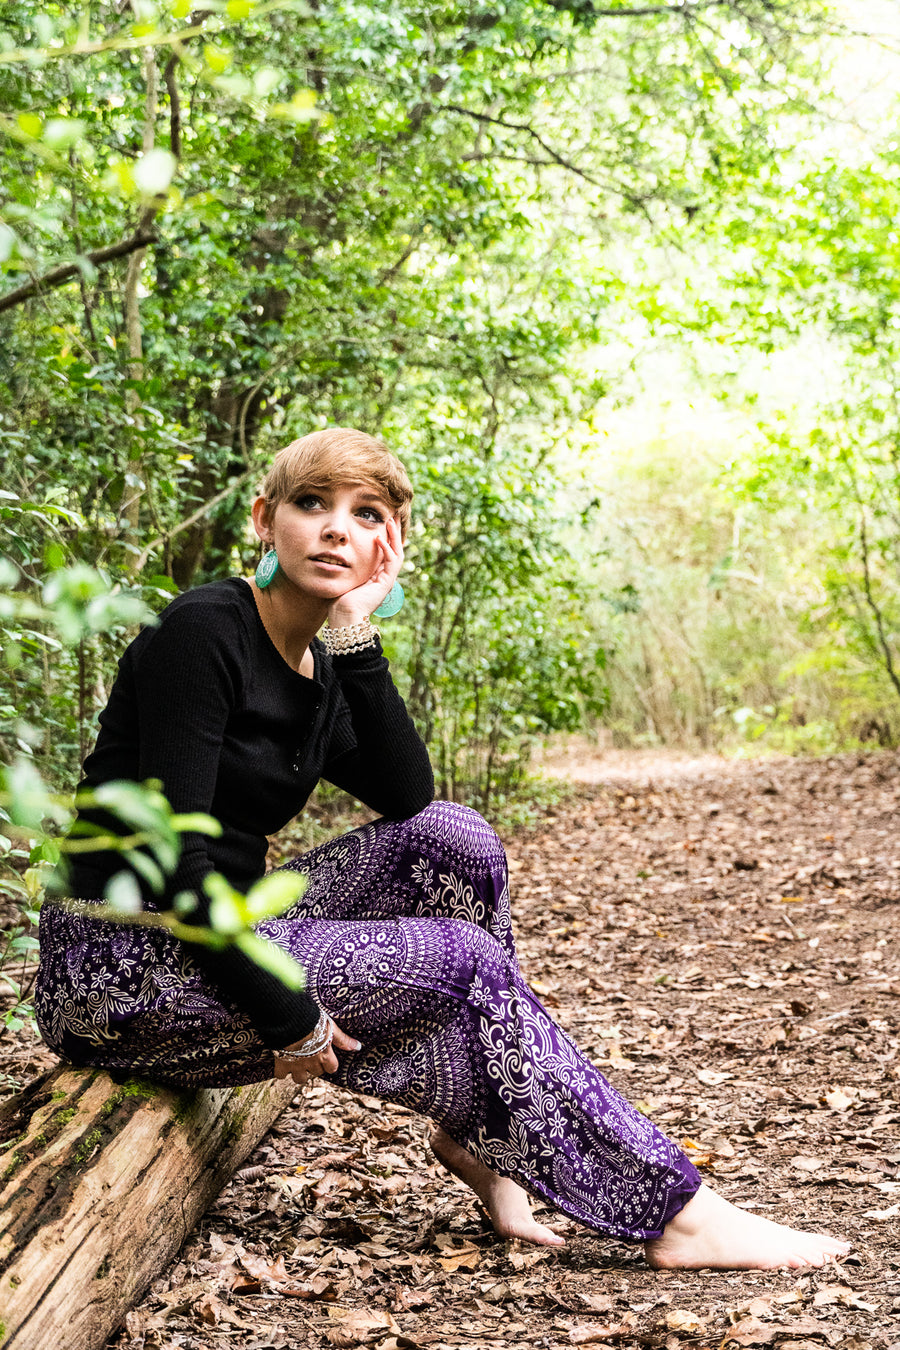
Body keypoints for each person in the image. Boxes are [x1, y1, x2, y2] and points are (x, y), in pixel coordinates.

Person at [36, 427, 849, 1271]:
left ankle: (484, 1136)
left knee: (453, 838)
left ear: (391, 544)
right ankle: (677, 1216)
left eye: (366, 514)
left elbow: (407, 795)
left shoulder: (320, 661)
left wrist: (356, 636)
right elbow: (175, 859)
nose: (335, 529)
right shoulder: (206, 632)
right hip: (121, 962)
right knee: (455, 961)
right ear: (263, 519)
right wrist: (289, 1012)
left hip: (225, 927)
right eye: (311, 505)